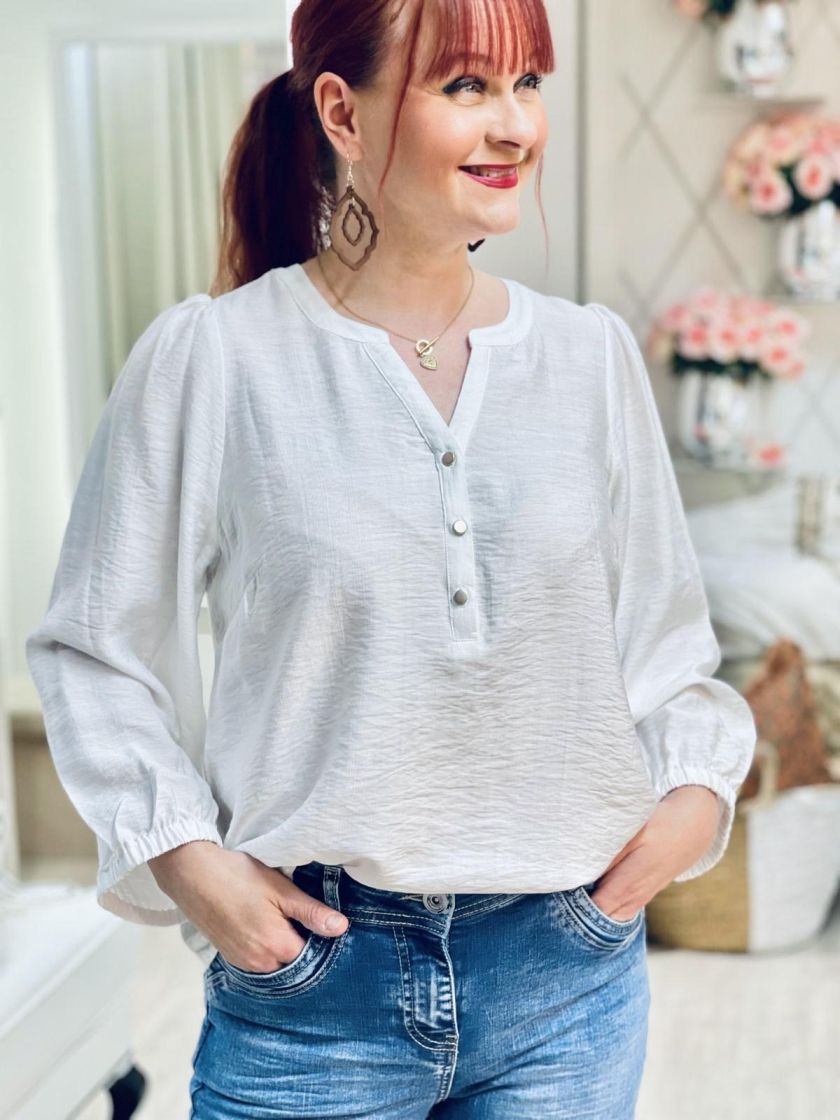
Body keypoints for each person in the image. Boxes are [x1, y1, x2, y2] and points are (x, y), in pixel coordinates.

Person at [25, 0, 757, 1116]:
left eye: (527, 85)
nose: (515, 125)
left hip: (568, 979)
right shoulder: (215, 359)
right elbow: (91, 648)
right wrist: (188, 859)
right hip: (311, 992)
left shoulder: (589, 358)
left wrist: (692, 799)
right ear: (341, 113)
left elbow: (667, 649)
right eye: (466, 87)